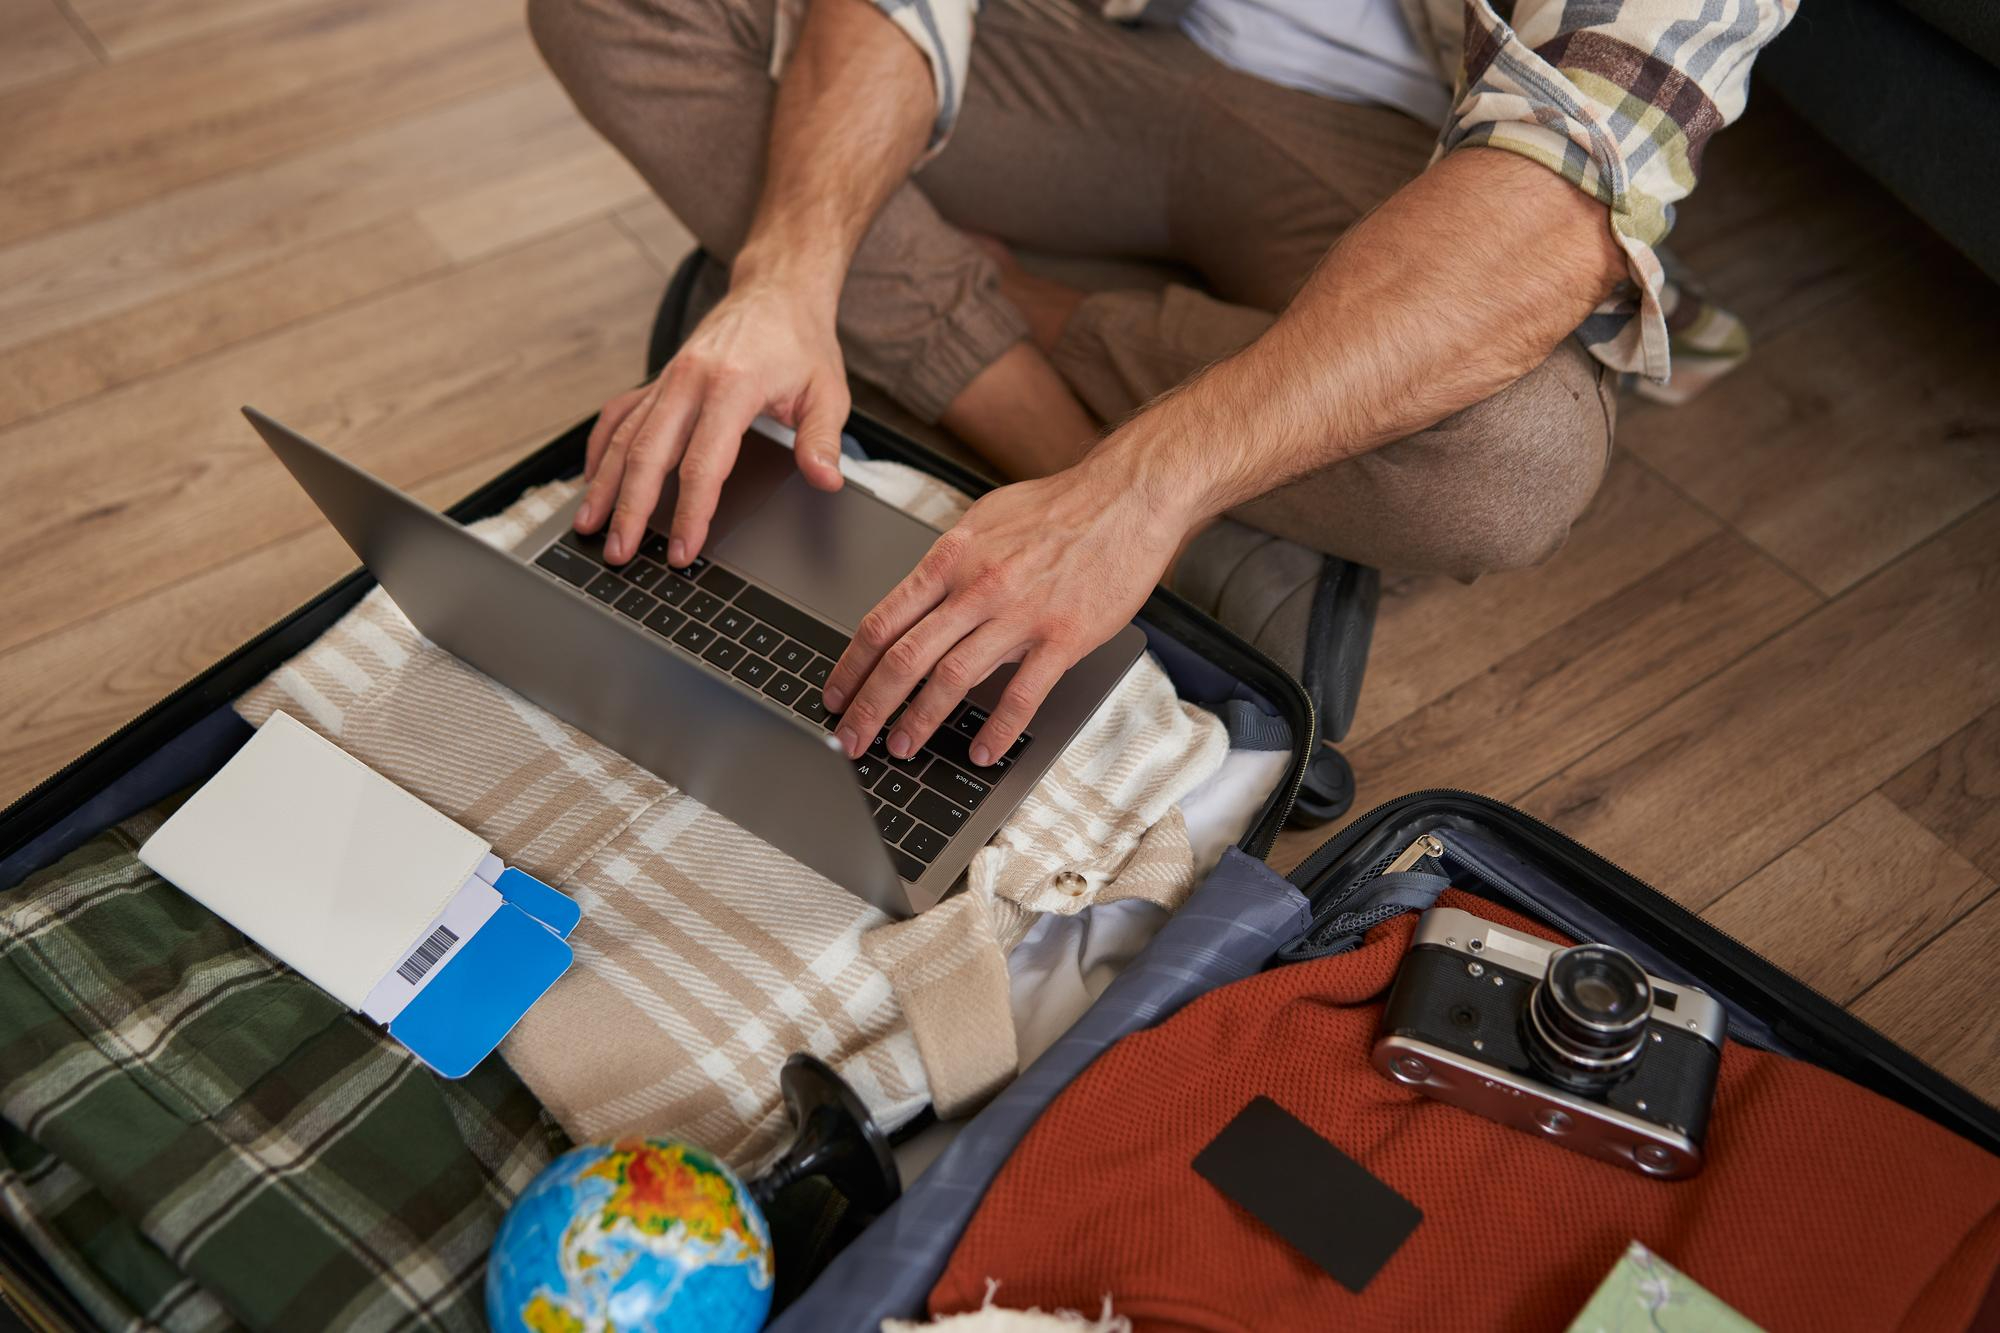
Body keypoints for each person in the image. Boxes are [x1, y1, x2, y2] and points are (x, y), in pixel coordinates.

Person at [529, 0, 1787, 771]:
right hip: (1081, 49)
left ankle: (980, 300)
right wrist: (786, 274)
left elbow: (1549, 202)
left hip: (1404, 154)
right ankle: (1067, 448)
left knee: (1512, 459)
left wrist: (1135, 494)